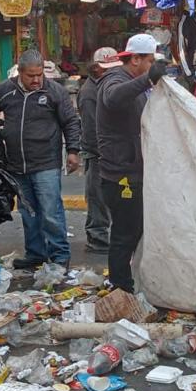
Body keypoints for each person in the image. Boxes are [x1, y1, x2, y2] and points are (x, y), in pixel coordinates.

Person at [0, 49, 81, 270]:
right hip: (17, 164)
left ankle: (59, 257)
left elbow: (71, 122)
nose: (36, 80)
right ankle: (35, 253)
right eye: (31, 76)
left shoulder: (55, 92)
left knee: (51, 212)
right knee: (29, 212)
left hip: (46, 163)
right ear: (20, 72)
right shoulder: (6, 90)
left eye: (39, 75)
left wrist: (73, 150)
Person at [97, 33, 168, 292]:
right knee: (124, 235)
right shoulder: (114, 80)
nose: (151, 66)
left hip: (134, 169)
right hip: (120, 175)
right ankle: (121, 287)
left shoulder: (135, 82)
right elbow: (113, 98)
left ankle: (127, 282)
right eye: (149, 61)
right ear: (135, 59)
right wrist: (147, 79)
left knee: (133, 231)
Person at [78, 47, 120, 256]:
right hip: (98, 154)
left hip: (108, 151)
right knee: (97, 196)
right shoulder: (89, 93)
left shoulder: (106, 87)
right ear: (95, 68)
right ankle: (97, 238)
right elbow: (91, 128)